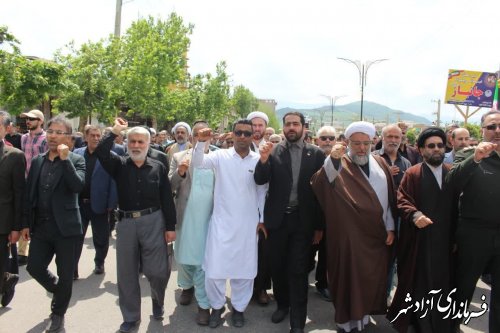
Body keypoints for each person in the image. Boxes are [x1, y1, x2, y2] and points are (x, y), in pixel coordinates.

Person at [311, 121, 396, 333]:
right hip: (347, 236)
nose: (361, 148)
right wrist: (333, 159)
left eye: (365, 143)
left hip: (375, 235)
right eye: (356, 143)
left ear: (372, 143)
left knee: (368, 279)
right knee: (348, 278)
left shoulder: (381, 163)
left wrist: (390, 227)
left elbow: (389, 201)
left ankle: (363, 316)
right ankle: (345, 322)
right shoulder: (339, 162)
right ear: (347, 143)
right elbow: (322, 181)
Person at [96, 118, 176, 333]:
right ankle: (131, 318)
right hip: (126, 224)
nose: (136, 146)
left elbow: (167, 199)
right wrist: (114, 132)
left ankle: (157, 301)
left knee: (157, 271)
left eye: (141, 142)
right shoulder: (119, 164)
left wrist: (170, 227)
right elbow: (100, 152)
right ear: (127, 143)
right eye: (132, 141)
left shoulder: (158, 167)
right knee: (127, 273)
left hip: (154, 221)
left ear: (148, 144)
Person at [191, 119, 267, 329]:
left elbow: (262, 191)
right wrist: (200, 142)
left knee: (244, 272)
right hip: (221, 223)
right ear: (232, 135)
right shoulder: (220, 156)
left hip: (248, 224)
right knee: (215, 271)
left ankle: (239, 309)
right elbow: (198, 164)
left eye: (246, 133)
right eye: (239, 132)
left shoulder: (258, 160)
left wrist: (261, 220)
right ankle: (216, 308)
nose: (242, 136)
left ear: (252, 136)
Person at [254, 112, 325, 333]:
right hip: (277, 221)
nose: (291, 127)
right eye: (288, 124)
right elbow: (260, 179)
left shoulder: (317, 154)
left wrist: (319, 226)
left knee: (298, 270)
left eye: (296, 124)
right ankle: (282, 305)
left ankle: (297, 321)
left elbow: (322, 193)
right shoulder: (273, 151)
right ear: (283, 128)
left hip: (302, 222)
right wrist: (263, 160)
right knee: (278, 267)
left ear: (304, 127)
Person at [388, 127, 455, 333]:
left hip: (445, 241)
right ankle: (419, 322)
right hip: (420, 240)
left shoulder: (451, 173)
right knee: (419, 281)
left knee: (443, 281)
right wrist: (416, 215)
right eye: (431, 146)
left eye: (440, 145)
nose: (436, 149)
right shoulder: (413, 173)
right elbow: (402, 200)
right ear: (421, 149)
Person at [22, 115, 85, 333]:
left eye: (59, 132)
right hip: (41, 226)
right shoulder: (39, 161)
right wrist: (25, 223)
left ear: (69, 138)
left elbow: (77, 186)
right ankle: (60, 291)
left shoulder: (76, 160)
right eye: (50, 131)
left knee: (66, 273)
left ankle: (58, 313)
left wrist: (65, 159)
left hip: (66, 228)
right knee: (34, 267)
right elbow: (30, 194)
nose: (53, 136)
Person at [446, 110, 500, 333]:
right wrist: (476, 158)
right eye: (491, 127)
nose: (497, 131)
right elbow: (451, 183)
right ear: (483, 130)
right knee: (463, 289)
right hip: (474, 233)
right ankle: (450, 329)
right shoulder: (469, 154)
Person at [169, 120, 214, 325]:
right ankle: (186, 287)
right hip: (185, 216)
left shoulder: (216, 158)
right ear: (191, 137)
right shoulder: (179, 157)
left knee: (202, 261)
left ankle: (204, 304)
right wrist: (180, 172)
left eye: (203, 134)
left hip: (209, 219)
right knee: (183, 256)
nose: (200, 137)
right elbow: (170, 185)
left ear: (210, 136)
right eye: (196, 134)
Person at [73, 125, 117, 278]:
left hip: (99, 204)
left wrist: (111, 204)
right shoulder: (76, 154)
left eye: (99, 136)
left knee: (101, 237)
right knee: (76, 238)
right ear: (86, 137)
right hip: (79, 204)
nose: (96, 138)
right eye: (93, 135)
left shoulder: (108, 156)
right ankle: (73, 267)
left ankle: (99, 262)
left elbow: (113, 181)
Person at [247, 110, 272, 305]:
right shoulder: (241, 148)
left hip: (265, 207)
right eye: (253, 125)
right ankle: (245, 289)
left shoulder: (272, 149)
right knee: (244, 250)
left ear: (265, 128)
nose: (257, 129)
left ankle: (262, 288)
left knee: (264, 252)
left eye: (260, 125)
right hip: (242, 207)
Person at [0, 111, 25, 307]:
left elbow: (19, 194)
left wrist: (17, 227)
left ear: (6, 129)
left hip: (3, 223)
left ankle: (6, 281)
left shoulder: (15, 156)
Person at [310, 125, 337, 302]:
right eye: (324, 138)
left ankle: (323, 284)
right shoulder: (310, 157)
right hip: (310, 215)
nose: (327, 141)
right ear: (317, 140)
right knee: (305, 255)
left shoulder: (344, 160)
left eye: (331, 138)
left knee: (327, 255)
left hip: (332, 218)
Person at [18, 109, 48, 266]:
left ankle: (36, 250)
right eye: (27, 119)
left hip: (39, 183)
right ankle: (22, 252)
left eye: (31, 118)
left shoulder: (46, 139)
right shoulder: (23, 138)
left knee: (36, 216)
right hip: (24, 182)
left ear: (40, 121)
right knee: (24, 214)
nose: (28, 121)